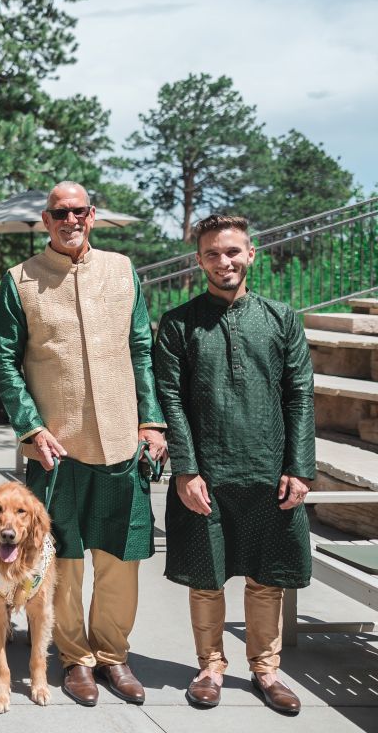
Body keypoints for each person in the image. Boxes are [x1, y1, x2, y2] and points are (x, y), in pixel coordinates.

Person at [0, 181, 167, 707]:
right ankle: (75, 659)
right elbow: (3, 359)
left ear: (93, 216)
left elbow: (141, 349)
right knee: (60, 558)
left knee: (120, 556)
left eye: (80, 211)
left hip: (121, 441)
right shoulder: (20, 280)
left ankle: (112, 655)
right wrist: (30, 427)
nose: (71, 219)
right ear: (46, 220)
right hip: (56, 449)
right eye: (59, 212)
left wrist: (152, 421)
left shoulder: (122, 270)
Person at [153, 215, 314, 716]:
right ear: (199, 261)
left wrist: (300, 466)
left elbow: (300, 393)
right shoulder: (178, 324)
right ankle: (210, 667)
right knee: (208, 575)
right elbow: (171, 400)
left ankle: (266, 669)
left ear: (251, 254)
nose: (225, 261)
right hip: (207, 473)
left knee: (267, 577)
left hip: (269, 471)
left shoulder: (282, 318)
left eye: (233, 252)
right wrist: (185, 469)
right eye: (213, 254)